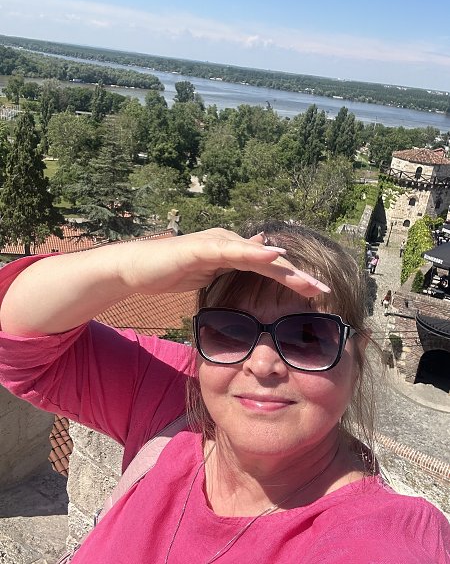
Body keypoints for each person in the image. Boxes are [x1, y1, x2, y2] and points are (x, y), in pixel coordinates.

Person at [0, 222, 448, 564]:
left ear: (357, 354)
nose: (262, 364)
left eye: (308, 337)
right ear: (200, 344)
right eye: (230, 331)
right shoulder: (176, 397)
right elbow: (17, 334)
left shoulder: (382, 534)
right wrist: (129, 267)